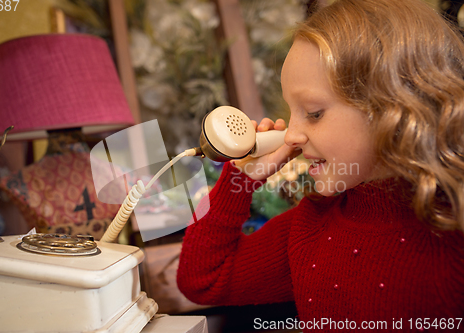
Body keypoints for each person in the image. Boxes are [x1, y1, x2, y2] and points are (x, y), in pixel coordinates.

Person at [177, 0, 464, 331]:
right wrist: (240, 179)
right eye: (291, 111)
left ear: (394, 109)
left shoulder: (452, 234)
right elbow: (202, 279)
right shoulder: (311, 226)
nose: (292, 134)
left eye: (313, 113)